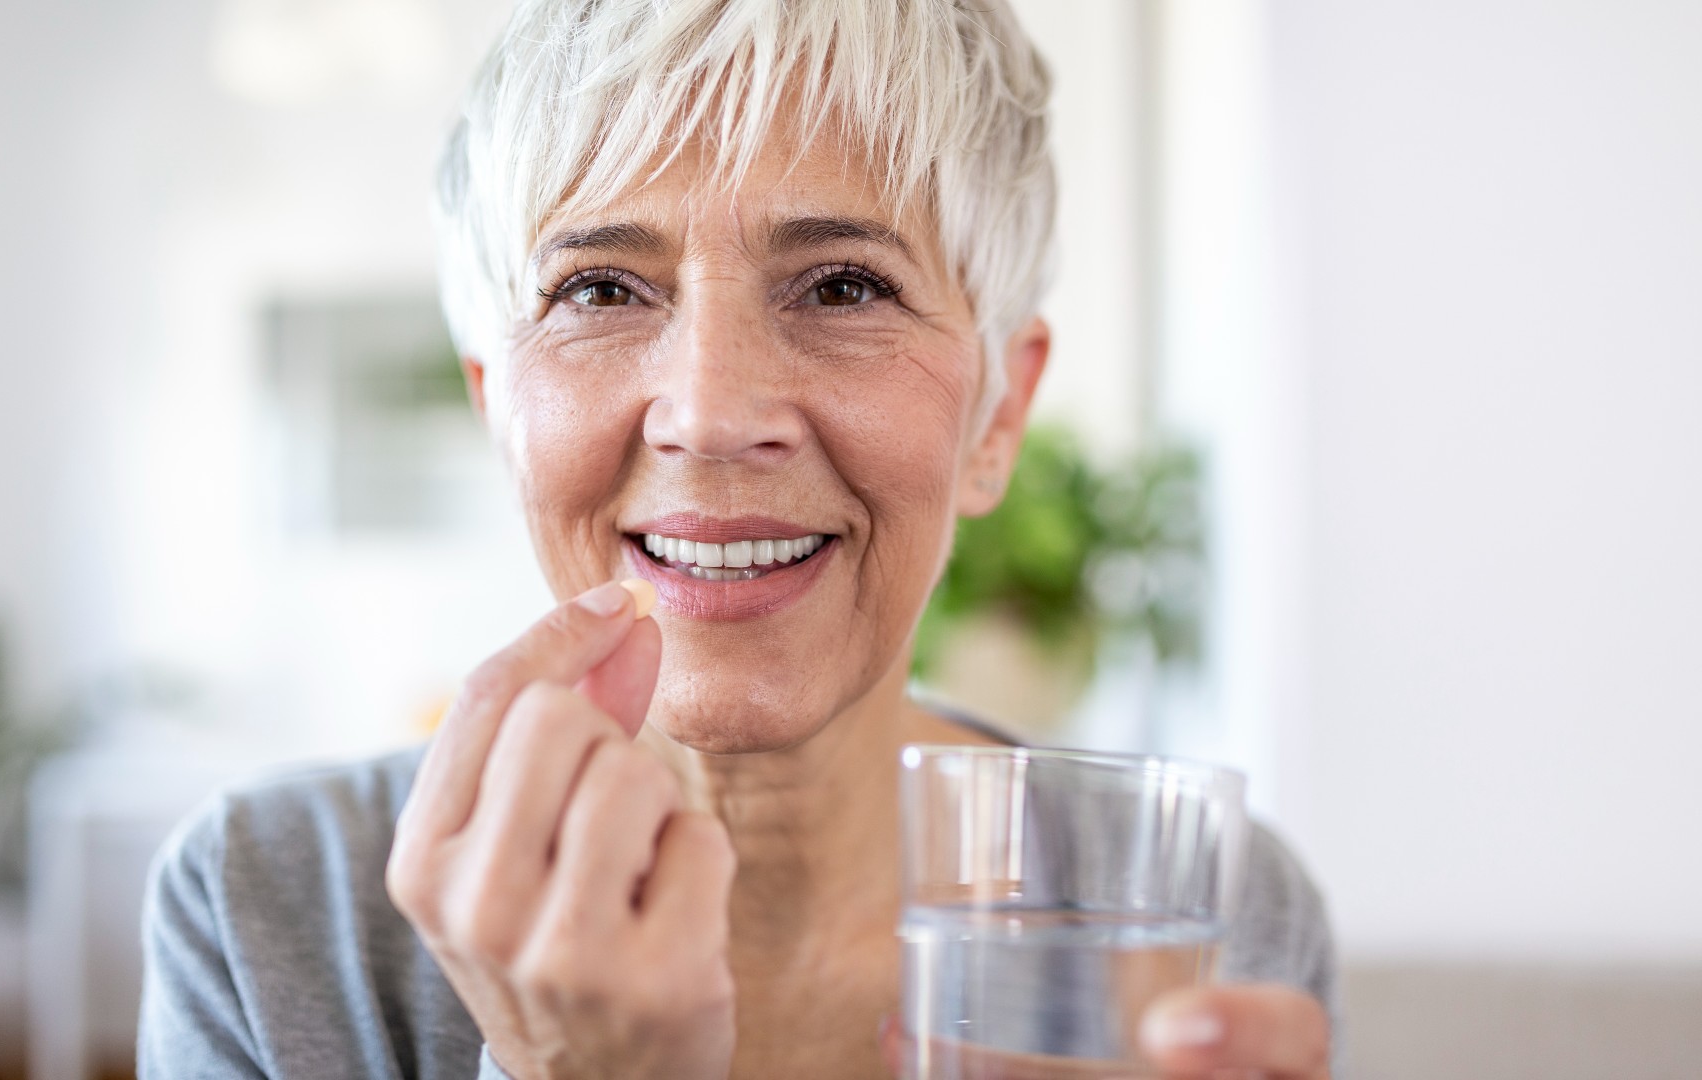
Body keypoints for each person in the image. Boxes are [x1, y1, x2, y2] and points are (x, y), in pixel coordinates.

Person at [138, 0, 1338, 1077]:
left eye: (843, 287)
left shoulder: (1203, 915)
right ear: (498, 409)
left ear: (998, 417)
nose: (709, 415)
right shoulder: (259, 911)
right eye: (600, 290)